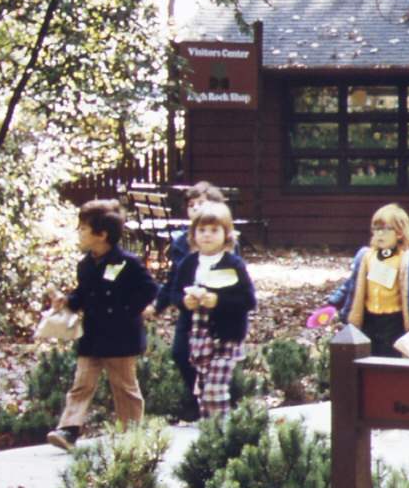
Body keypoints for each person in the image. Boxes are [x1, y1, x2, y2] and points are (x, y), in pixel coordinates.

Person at [47, 200, 158, 450]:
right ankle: (69, 429)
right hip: (93, 336)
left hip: (121, 338)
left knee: (124, 387)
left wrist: (127, 312)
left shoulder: (127, 263)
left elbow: (150, 289)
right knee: (81, 383)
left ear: (102, 234)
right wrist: (67, 301)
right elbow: (83, 295)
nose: (79, 233)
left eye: (83, 229)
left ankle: (131, 434)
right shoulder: (85, 265)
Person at [174, 202, 256, 418]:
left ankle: (223, 432)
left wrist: (218, 301)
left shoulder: (233, 264)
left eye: (214, 230)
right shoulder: (188, 263)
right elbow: (175, 294)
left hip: (227, 335)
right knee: (202, 387)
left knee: (214, 390)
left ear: (226, 234)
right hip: (198, 334)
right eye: (201, 230)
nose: (207, 236)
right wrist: (185, 303)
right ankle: (209, 432)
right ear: (192, 234)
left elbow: (248, 300)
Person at [154, 181, 228, 420]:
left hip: (216, 312)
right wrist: (160, 304)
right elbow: (173, 279)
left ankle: (216, 404)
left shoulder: (224, 240)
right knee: (179, 353)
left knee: (214, 359)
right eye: (191, 205)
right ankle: (196, 397)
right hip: (189, 310)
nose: (195, 209)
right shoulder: (180, 243)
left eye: (201, 203)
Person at [325, 204, 409, 358]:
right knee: (367, 356)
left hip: (394, 322)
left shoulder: (407, 259)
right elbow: (351, 285)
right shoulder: (366, 256)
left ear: (400, 233)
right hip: (369, 319)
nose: (379, 234)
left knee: (391, 359)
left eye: (385, 229)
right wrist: (332, 304)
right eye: (375, 229)